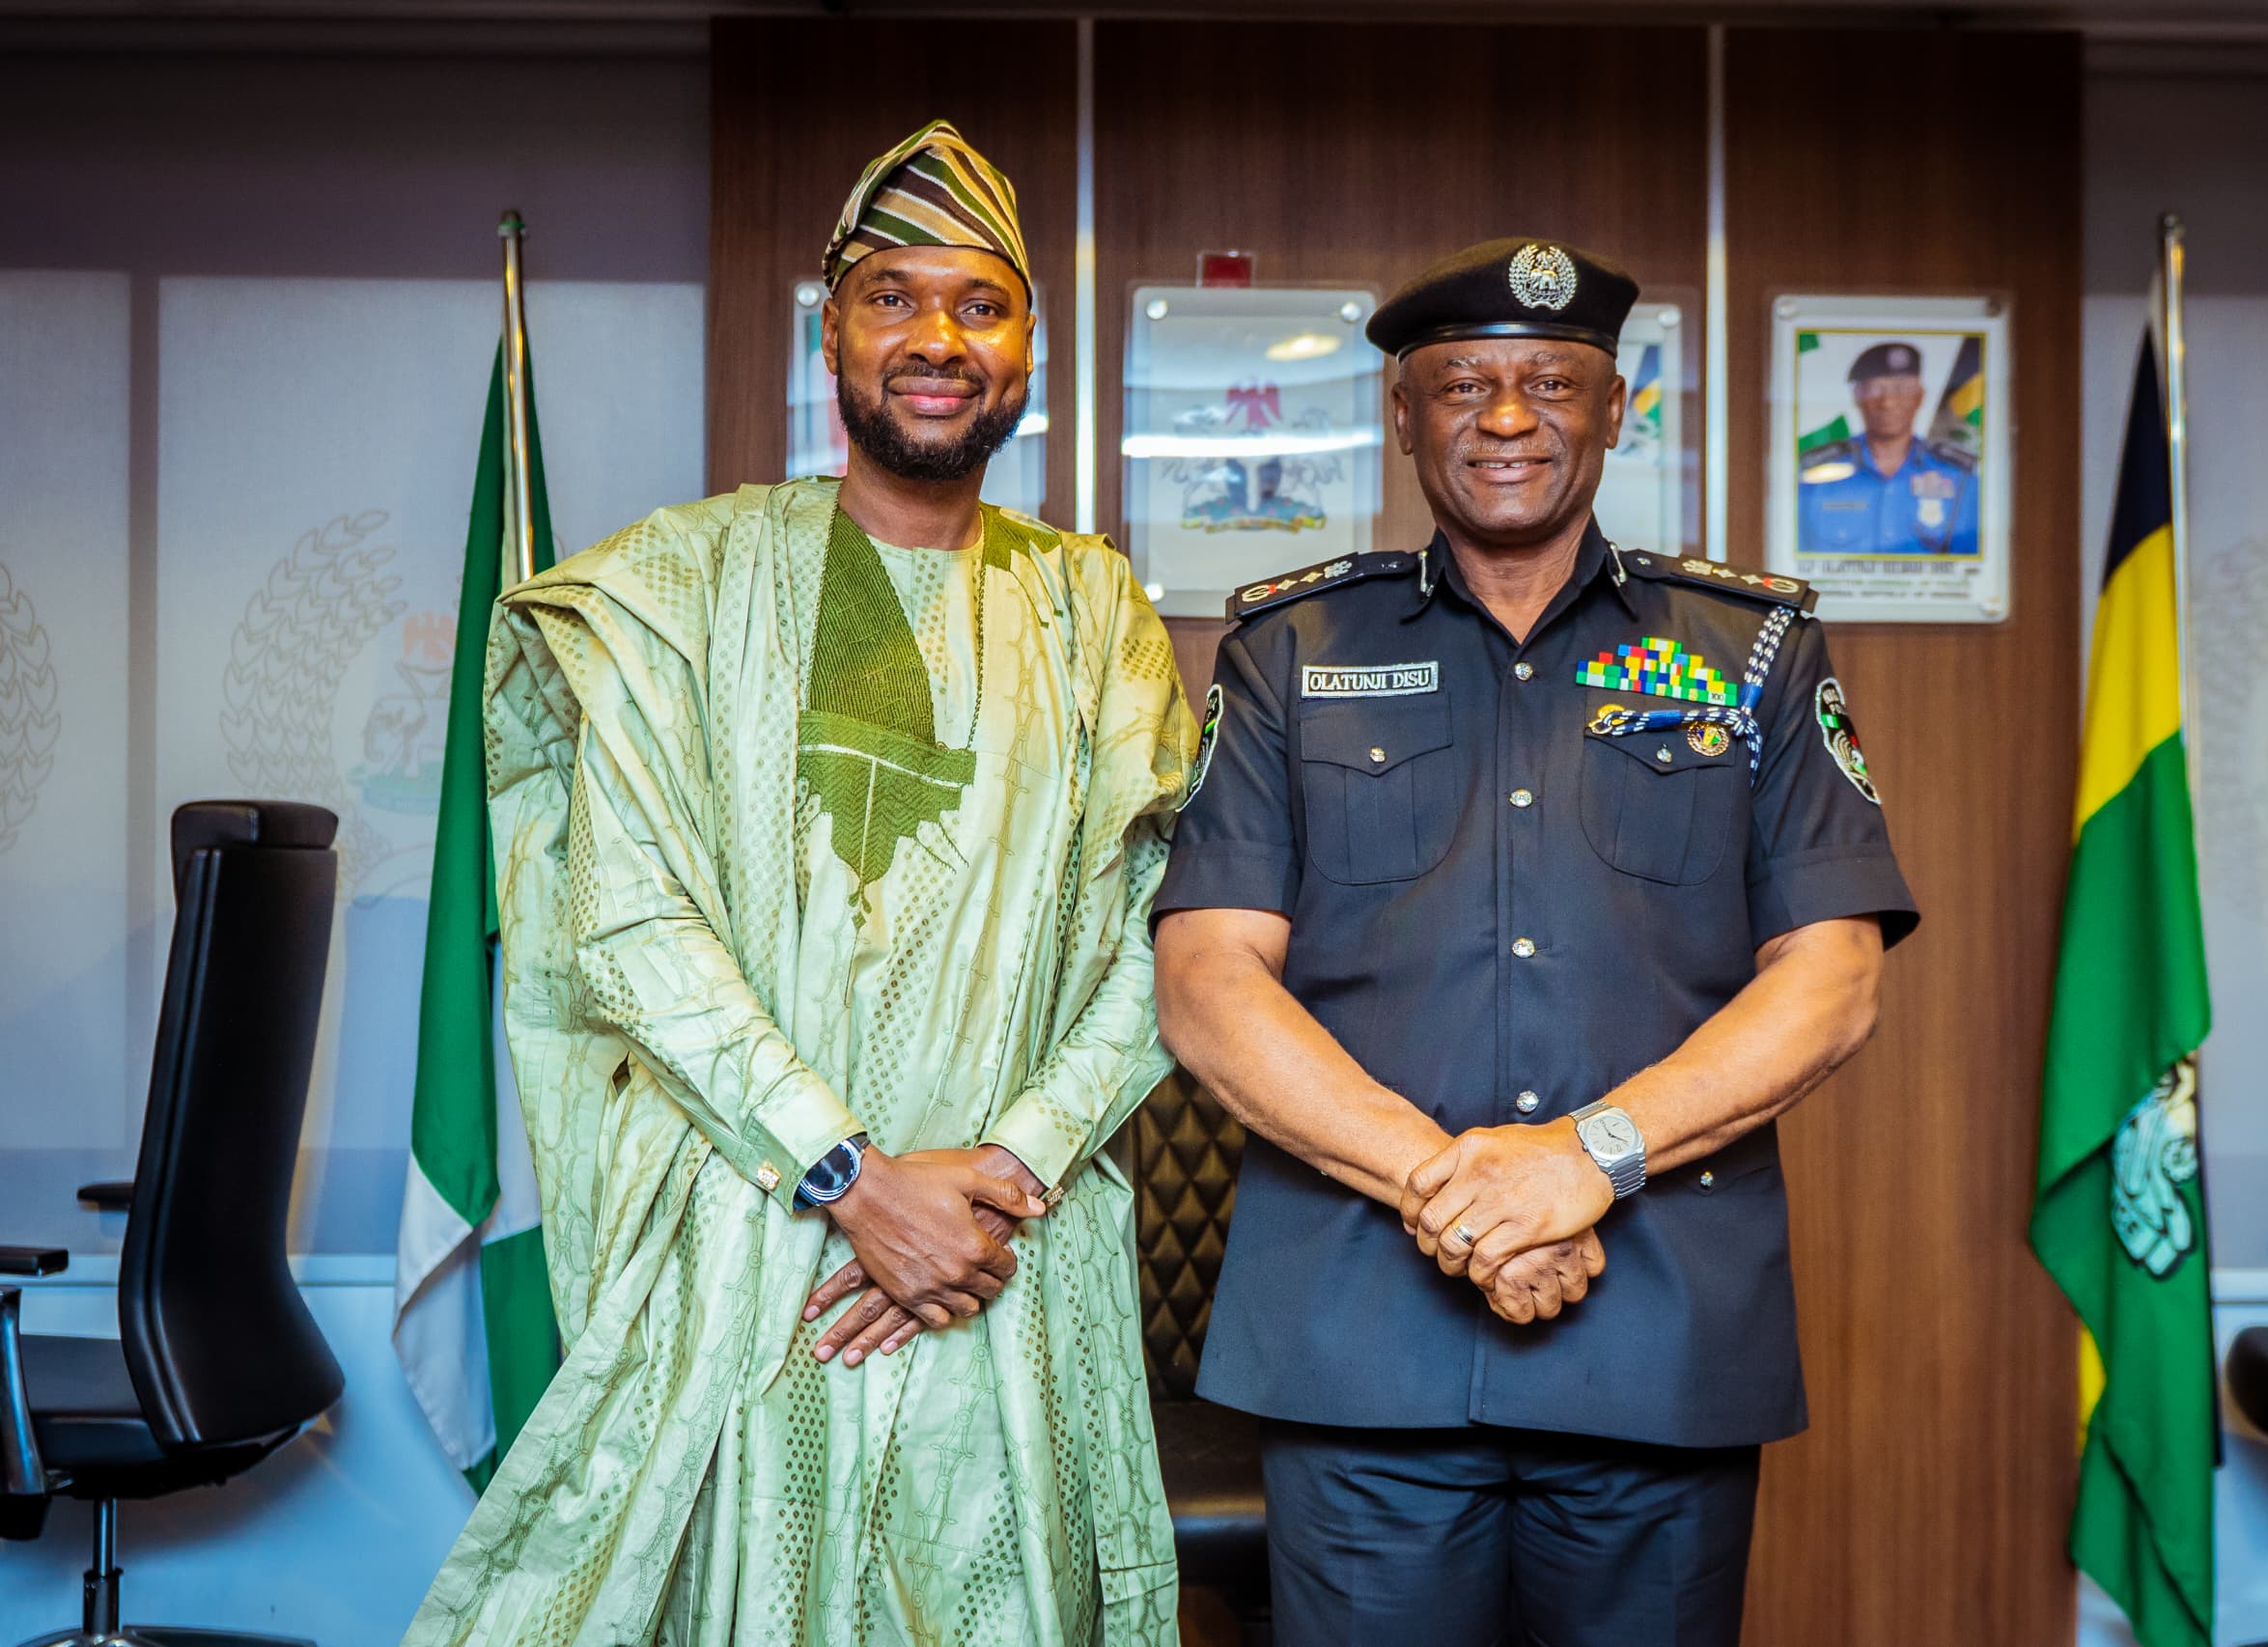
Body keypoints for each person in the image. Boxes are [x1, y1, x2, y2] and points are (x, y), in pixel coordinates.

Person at [403, 121, 1193, 1646]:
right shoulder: (674, 592)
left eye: (981, 302)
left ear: (1030, 341)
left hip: (1001, 1267)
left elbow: (1167, 942)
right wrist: (854, 1180)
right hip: (759, 1247)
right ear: (830, 325)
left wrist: (986, 1182)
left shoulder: (1096, 611)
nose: (938, 340)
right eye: (894, 297)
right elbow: (626, 928)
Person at [1152, 237, 1919, 1646]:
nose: (1508, 420)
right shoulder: (1288, 648)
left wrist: (1588, 1155)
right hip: (1359, 1349)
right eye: (1464, 386)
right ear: (1403, 417)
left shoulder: (1749, 650)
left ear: (1617, 407)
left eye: (1551, 383)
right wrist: (1465, 1189)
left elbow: (1834, 974)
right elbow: (1206, 980)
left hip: (1660, 1348)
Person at [1798, 339, 1980, 556]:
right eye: (1876, 390)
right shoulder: (1814, 473)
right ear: (1857, 396)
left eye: (1901, 389)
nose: (1888, 402)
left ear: (1920, 396)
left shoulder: (1959, 476)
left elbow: (1974, 568)